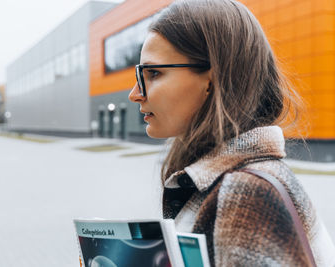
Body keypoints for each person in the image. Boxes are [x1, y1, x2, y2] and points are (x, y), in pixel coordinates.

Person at [128, 0, 335, 266]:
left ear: (212, 79)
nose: (135, 94)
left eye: (153, 73)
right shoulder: (231, 179)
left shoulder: (247, 194)